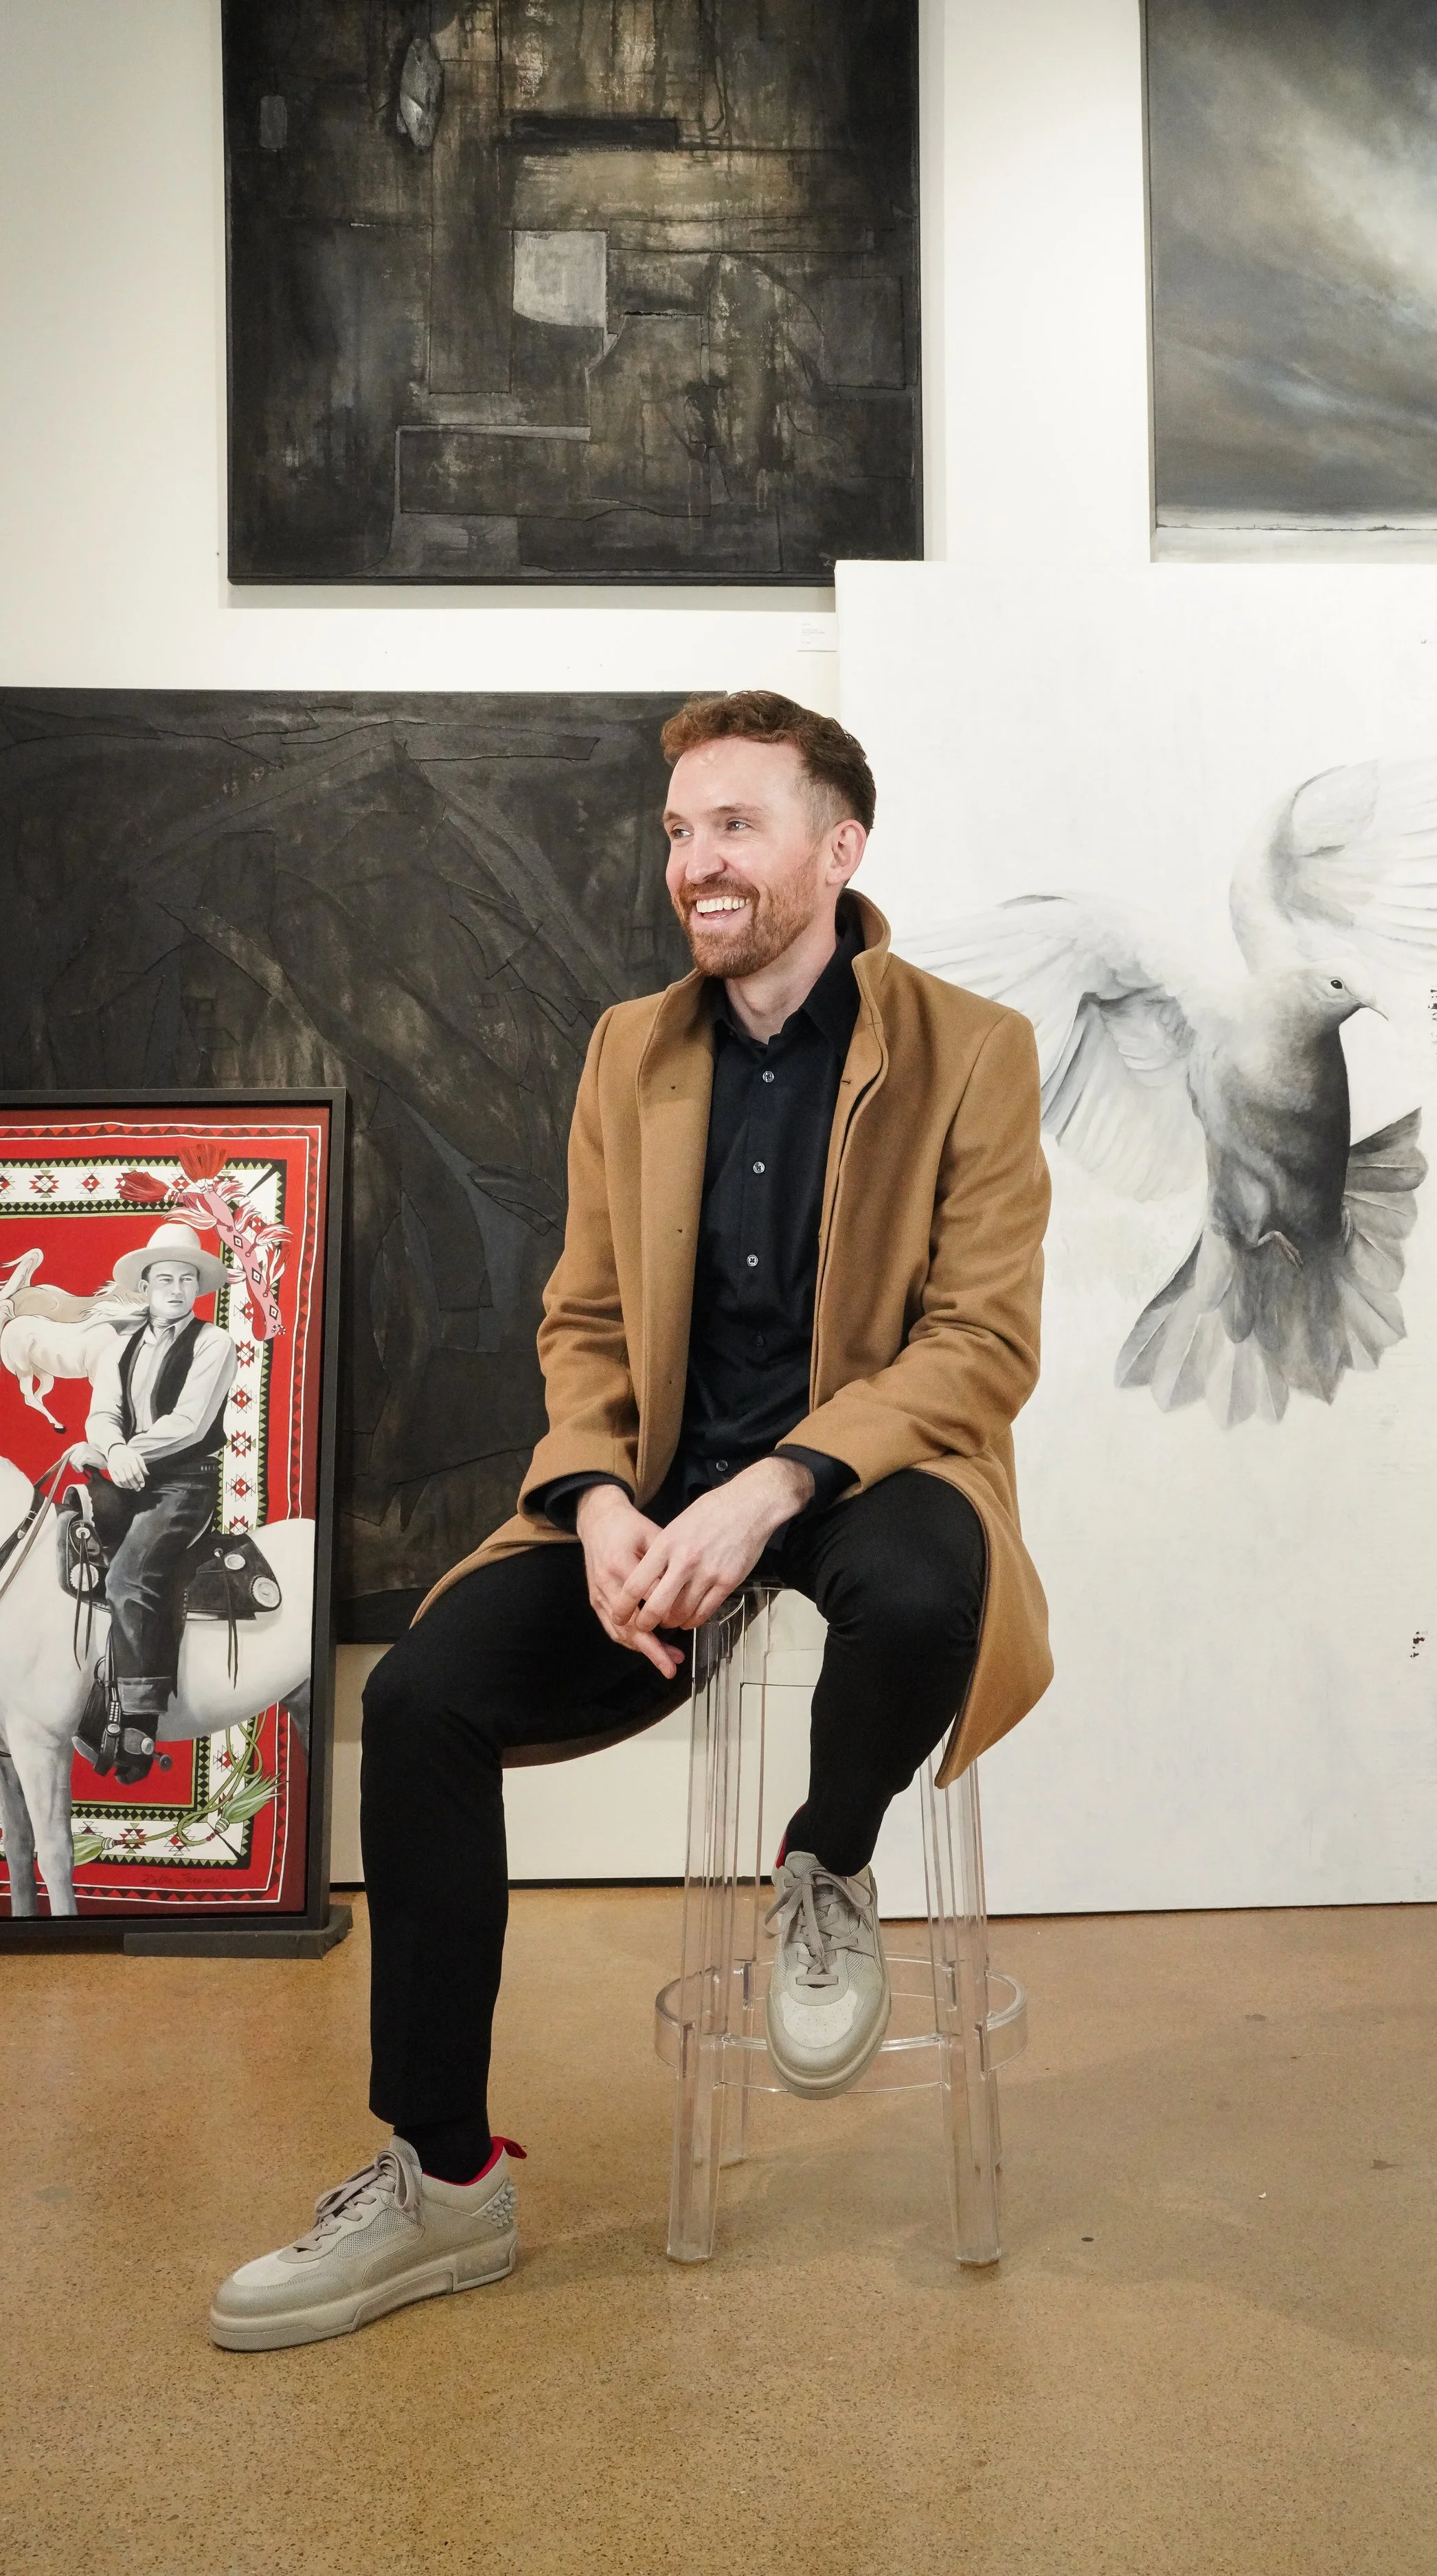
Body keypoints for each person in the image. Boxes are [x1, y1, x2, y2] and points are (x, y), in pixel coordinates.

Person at [210, 690, 1053, 2353]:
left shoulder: (973, 1048)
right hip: (654, 1505)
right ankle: (443, 2179)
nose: (695, 862)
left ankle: (823, 1863)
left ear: (839, 845)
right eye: (679, 830)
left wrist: (774, 1485)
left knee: (922, 1582)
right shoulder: (628, 1047)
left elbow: (981, 1344)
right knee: (419, 1698)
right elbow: (583, 1321)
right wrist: (598, 1497)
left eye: (735, 823)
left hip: (863, 1481)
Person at [76, 1221, 238, 1786]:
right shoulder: (120, 1345)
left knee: (128, 1579)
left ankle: (140, 1723)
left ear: (198, 1288)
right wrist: (112, 1447)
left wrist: (125, 1453)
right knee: (65, 1554)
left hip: (182, 1483)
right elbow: (104, 1412)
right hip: (124, 1473)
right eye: (164, 1278)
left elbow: (191, 1423)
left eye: (186, 1279)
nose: (174, 1288)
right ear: (145, 1287)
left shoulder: (214, 1343)